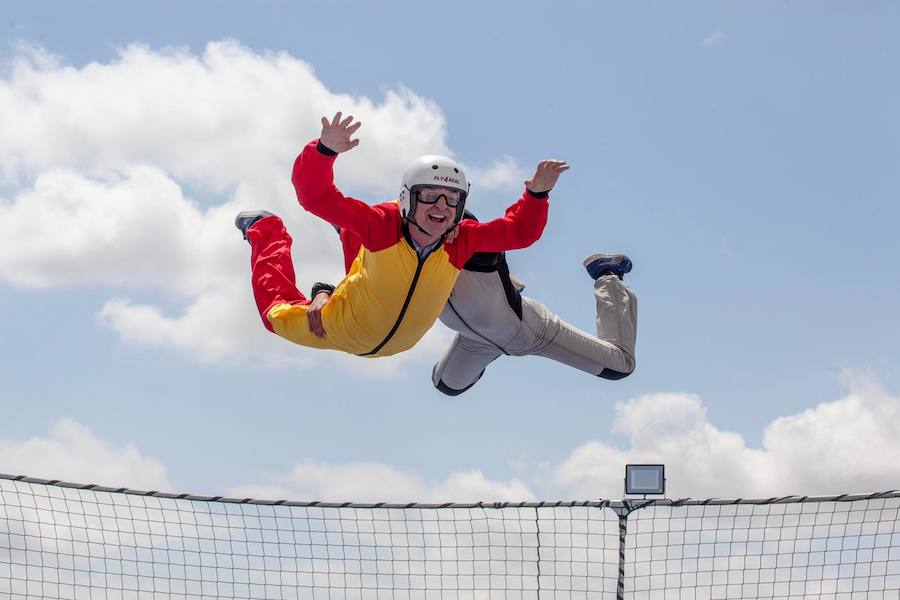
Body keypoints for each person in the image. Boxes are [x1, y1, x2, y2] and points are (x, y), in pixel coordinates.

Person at [235, 112, 569, 358]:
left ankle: (348, 236)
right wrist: (323, 150)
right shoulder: (384, 224)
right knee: (274, 315)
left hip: (383, 316)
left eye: (452, 200)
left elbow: (520, 233)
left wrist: (536, 196)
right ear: (409, 197)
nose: (441, 206)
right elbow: (315, 196)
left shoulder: (460, 239)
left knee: (369, 257)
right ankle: (265, 230)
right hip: (339, 326)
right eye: (429, 195)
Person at [430, 209, 637, 395]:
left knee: (620, 366)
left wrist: (536, 194)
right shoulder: (412, 259)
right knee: (446, 385)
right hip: (475, 338)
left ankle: (608, 274)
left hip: (530, 330)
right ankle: (500, 302)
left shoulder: (474, 242)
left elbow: (512, 230)